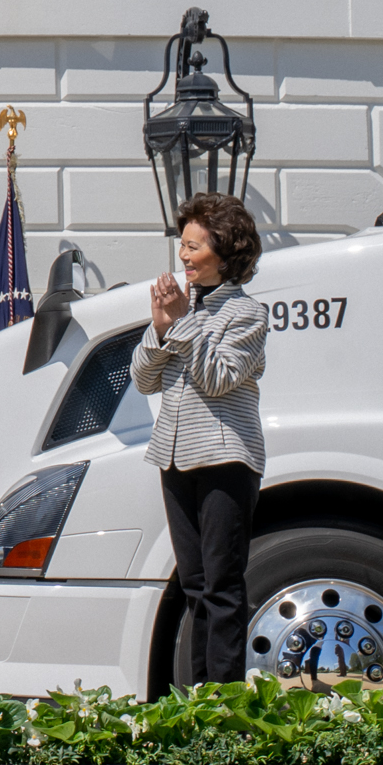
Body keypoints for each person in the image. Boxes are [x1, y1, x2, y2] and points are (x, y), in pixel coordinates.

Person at [131, 190, 268, 685]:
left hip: (225, 459)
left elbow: (217, 378)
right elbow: (145, 379)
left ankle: (225, 702)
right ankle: (200, 700)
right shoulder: (186, 312)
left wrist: (183, 323)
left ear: (225, 251)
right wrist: (162, 327)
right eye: (182, 246)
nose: (183, 256)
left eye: (194, 246)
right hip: (174, 457)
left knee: (222, 586)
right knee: (194, 587)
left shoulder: (247, 314)